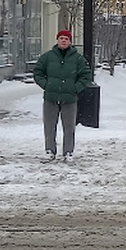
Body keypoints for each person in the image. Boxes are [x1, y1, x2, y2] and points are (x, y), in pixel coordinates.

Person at [33, 29, 92, 163]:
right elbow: (38, 72)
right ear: (57, 40)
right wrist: (46, 85)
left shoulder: (78, 59)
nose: (63, 41)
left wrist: (75, 88)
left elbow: (86, 76)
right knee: (49, 125)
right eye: (61, 38)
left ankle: (68, 151)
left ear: (70, 42)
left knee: (69, 126)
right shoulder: (47, 57)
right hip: (51, 97)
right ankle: (49, 150)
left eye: (66, 39)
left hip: (69, 98)